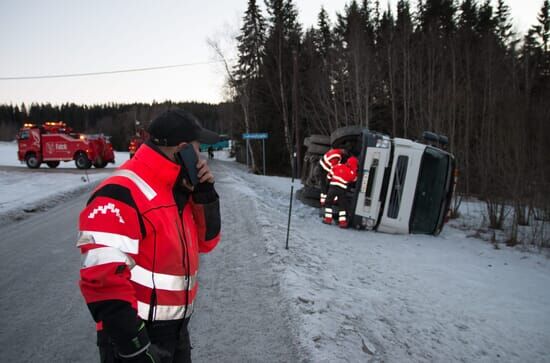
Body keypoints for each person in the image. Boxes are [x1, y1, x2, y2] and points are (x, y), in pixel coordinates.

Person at [77, 109, 221, 363]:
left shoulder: (176, 188)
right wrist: (133, 345)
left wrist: (204, 195)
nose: (201, 158)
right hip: (137, 337)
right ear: (183, 149)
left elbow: (207, 243)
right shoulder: (120, 192)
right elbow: (101, 278)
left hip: (176, 332)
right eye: (199, 149)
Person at [323, 155, 359, 228]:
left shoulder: (338, 166)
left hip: (332, 188)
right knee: (342, 206)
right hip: (342, 190)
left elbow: (329, 175)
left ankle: (328, 219)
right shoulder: (352, 172)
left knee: (328, 203)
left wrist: (329, 181)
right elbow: (354, 180)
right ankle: (342, 223)